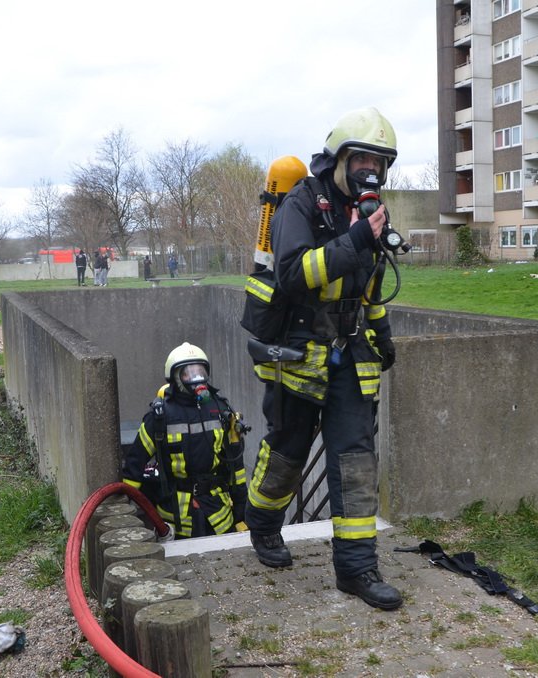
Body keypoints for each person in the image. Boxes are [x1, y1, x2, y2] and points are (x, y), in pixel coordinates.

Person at [243, 107, 401, 609]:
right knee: (288, 453)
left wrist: (383, 334)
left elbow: (370, 288)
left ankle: (356, 570)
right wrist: (356, 238)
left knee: (355, 462)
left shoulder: (374, 212)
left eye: (378, 162)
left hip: (351, 353)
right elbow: (292, 273)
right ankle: (264, 526)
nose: (368, 171)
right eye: (360, 159)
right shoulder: (302, 204)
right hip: (298, 352)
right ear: (337, 159)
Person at [122, 342, 249, 538]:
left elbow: (235, 466)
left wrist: (241, 509)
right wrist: (124, 510)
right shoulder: (160, 416)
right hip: (175, 516)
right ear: (175, 377)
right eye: (188, 373)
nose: (196, 378)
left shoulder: (221, 410)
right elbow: (134, 464)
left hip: (219, 515)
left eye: (200, 371)